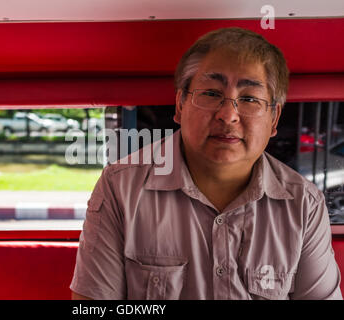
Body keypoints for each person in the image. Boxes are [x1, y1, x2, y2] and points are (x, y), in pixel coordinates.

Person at [70, 27, 343, 300]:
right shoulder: (121, 188)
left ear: (273, 119)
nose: (228, 115)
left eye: (249, 99)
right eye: (211, 94)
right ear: (180, 105)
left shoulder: (304, 205)